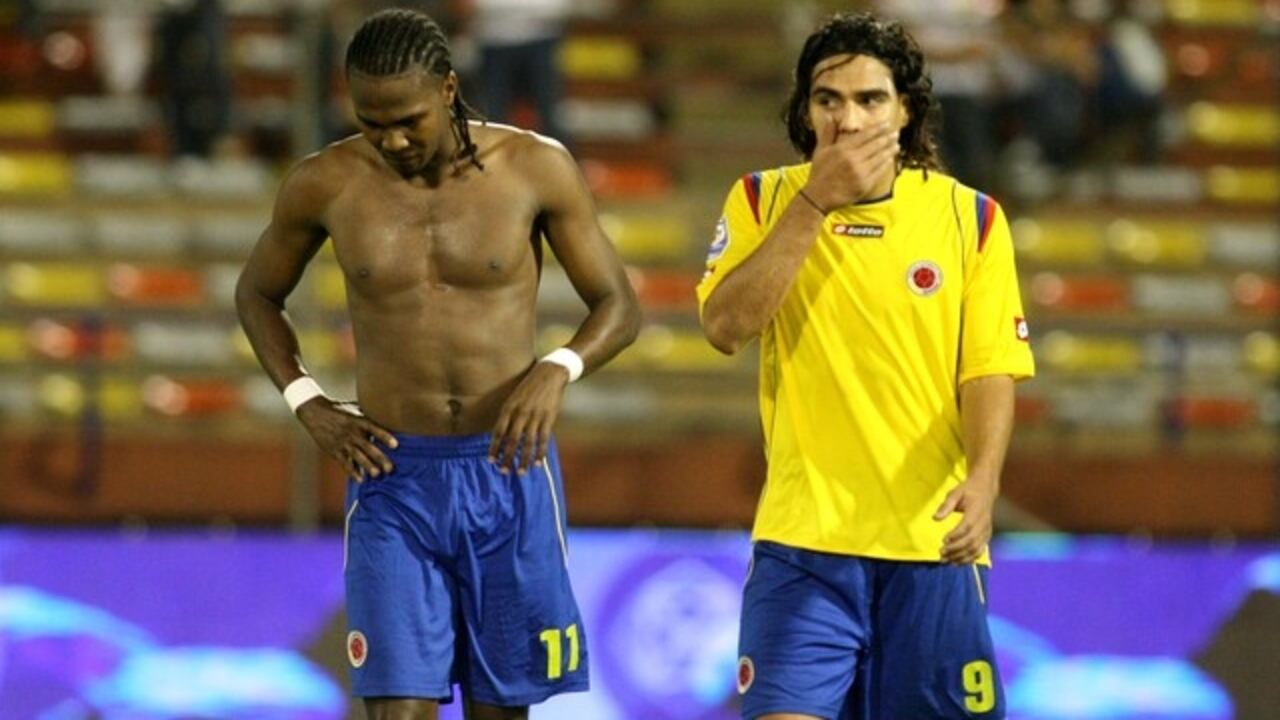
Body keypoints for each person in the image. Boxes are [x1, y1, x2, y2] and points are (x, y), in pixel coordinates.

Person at [235, 9, 640, 720]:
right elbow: (258, 293)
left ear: (449, 89)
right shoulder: (324, 183)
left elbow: (618, 305)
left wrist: (558, 367)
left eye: (408, 119)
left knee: (500, 709)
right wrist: (307, 399)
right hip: (392, 476)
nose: (391, 138)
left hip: (508, 471)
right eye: (371, 121)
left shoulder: (535, 168)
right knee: (398, 711)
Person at [696, 12, 1035, 720]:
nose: (848, 119)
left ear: (906, 111)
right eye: (829, 99)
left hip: (931, 542)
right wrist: (817, 200)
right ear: (804, 110)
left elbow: (988, 369)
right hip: (803, 546)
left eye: (870, 99)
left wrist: (984, 479)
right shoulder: (761, 199)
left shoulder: (971, 219)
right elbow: (726, 327)